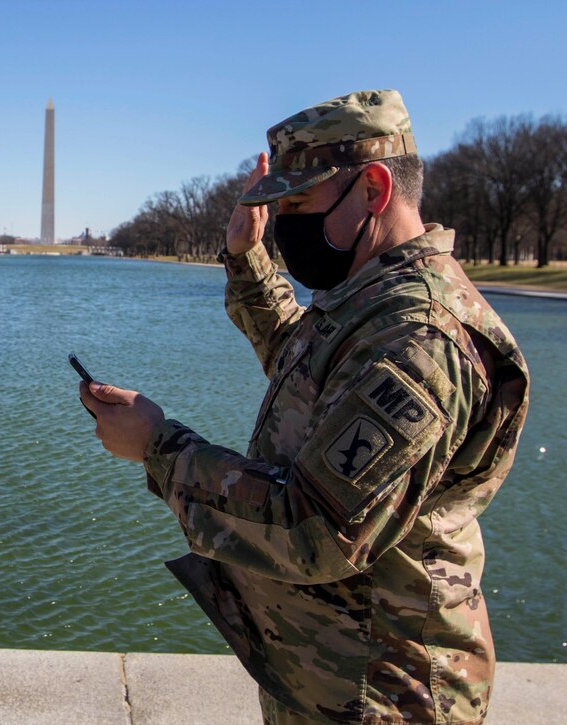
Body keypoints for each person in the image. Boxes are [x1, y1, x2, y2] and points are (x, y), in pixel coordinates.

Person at [81, 90, 529, 723]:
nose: (286, 221)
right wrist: (246, 259)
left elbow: (313, 526)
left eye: (298, 203)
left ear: (373, 189)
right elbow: (308, 369)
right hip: (327, 671)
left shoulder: (421, 338)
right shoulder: (373, 297)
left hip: (381, 690)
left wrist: (157, 446)